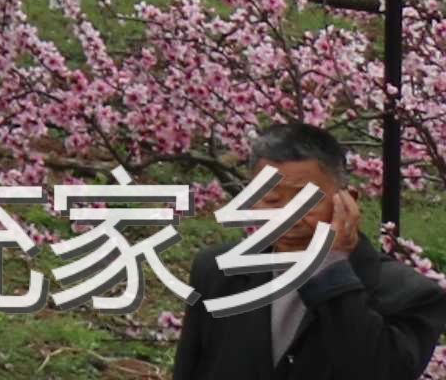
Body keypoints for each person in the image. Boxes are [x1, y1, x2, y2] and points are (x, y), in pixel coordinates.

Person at [172, 121, 439, 380]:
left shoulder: (405, 291)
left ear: (347, 200)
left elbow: (381, 372)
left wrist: (332, 267)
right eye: (272, 200)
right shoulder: (219, 271)